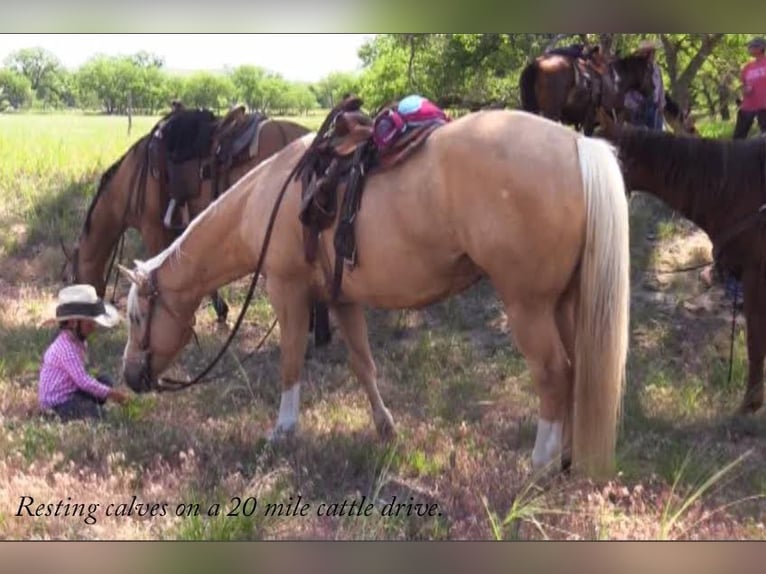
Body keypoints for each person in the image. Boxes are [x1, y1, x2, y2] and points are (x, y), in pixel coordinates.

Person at [38, 284, 131, 422]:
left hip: (72, 393)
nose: (94, 328)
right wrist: (114, 395)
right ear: (74, 323)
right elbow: (83, 382)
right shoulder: (66, 348)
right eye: (90, 323)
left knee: (105, 380)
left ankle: (88, 406)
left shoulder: (78, 342)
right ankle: (64, 415)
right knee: (97, 414)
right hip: (58, 404)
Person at [733, 37, 766, 139]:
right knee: (738, 137)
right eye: (749, 46)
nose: (749, 48)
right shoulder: (747, 67)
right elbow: (743, 86)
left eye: (752, 46)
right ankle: (736, 154)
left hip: (764, 106)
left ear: (761, 48)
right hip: (748, 106)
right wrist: (745, 90)